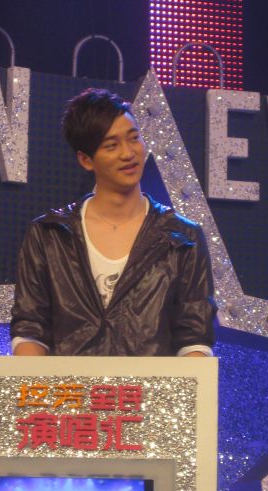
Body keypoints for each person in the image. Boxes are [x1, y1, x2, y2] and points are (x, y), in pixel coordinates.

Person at [11, 88, 216, 356]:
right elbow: (30, 328)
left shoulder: (183, 238)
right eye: (111, 145)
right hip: (69, 383)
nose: (128, 153)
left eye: (134, 138)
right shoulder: (48, 235)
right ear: (86, 160)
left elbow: (194, 338)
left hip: (151, 384)